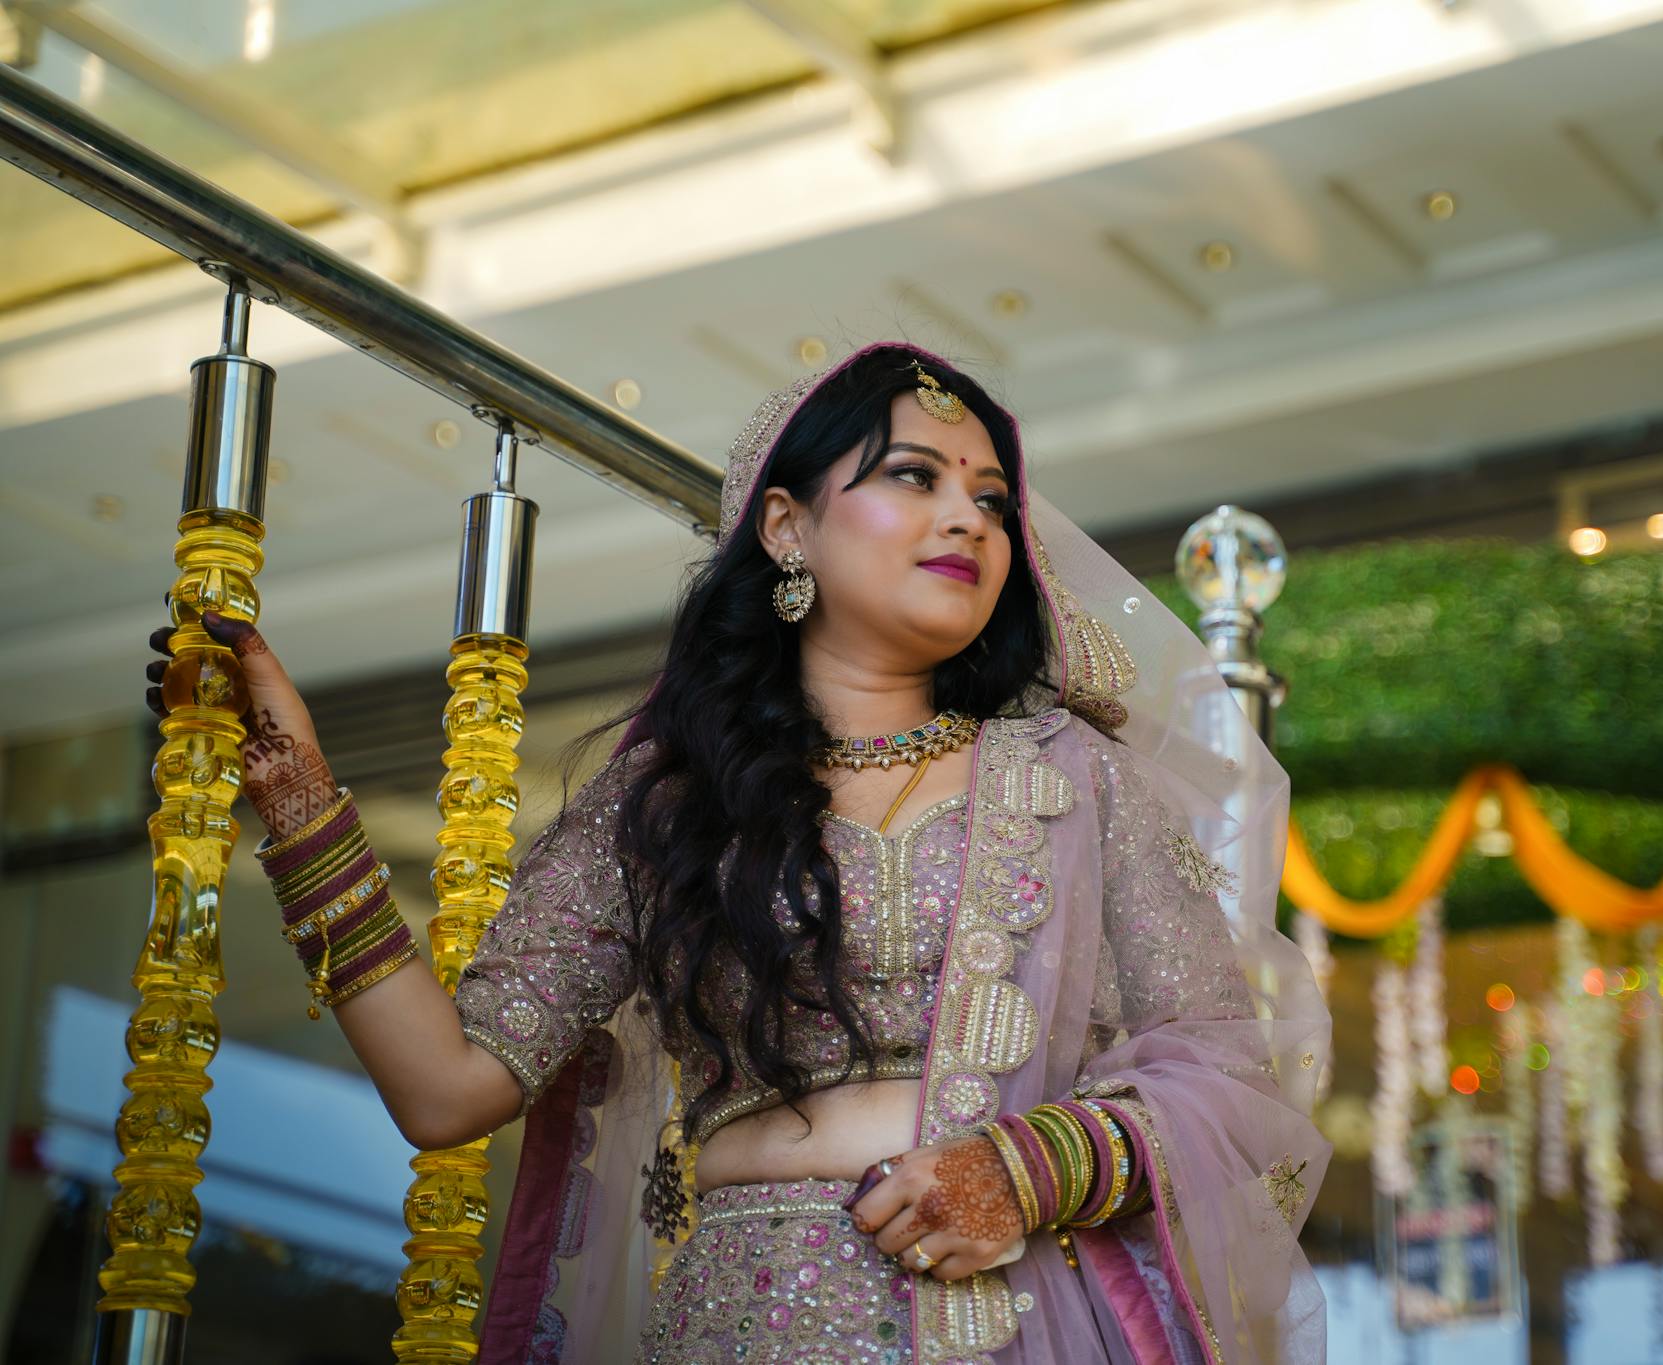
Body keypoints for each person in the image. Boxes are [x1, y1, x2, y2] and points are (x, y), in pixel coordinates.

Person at [145, 341, 1331, 1363]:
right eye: (913, 477)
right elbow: (447, 1087)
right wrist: (300, 803)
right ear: (783, 524)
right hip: (731, 1321)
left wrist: (1037, 1163)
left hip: (1003, 1317)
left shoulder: (1073, 779)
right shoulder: (668, 800)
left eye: (988, 497)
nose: (967, 516)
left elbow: (1228, 1078)